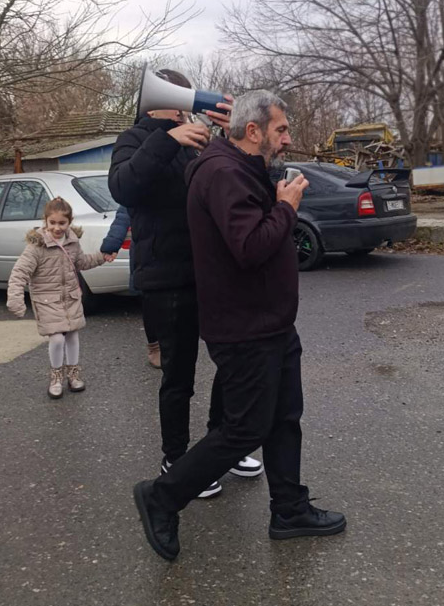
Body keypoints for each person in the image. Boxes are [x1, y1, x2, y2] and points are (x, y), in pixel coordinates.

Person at [133, 89, 346, 561]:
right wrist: (286, 206)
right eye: (281, 130)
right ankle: (162, 496)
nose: (287, 139)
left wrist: (275, 194)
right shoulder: (223, 172)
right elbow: (249, 247)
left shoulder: (241, 167)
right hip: (245, 326)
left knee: (284, 419)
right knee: (244, 429)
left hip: (271, 322)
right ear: (253, 131)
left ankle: (289, 509)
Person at [108, 69, 263, 498]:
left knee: (230, 363)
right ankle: (176, 458)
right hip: (166, 278)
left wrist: (233, 136)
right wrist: (167, 140)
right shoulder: (134, 139)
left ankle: (219, 448)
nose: (184, 108)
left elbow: (229, 185)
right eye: (178, 98)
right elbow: (123, 187)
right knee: (178, 376)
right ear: (158, 102)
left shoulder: (197, 141)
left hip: (209, 274)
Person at [7, 196, 112, 398]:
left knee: (72, 335)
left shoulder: (72, 242)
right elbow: (19, 273)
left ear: (69, 222)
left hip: (70, 298)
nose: (57, 227)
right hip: (47, 300)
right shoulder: (37, 246)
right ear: (45, 221)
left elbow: (82, 262)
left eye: (62, 223)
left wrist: (102, 257)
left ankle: (73, 373)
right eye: (52, 222)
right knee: (56, 338)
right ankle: (56, 376)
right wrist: (15, 299)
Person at [99, 204, 161, 368]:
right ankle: (154, 347)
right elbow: (122, 218)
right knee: (149, 303)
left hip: (173, 252)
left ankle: (172, 344)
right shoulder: (137, 192)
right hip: (145, 254)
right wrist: (111, 245)